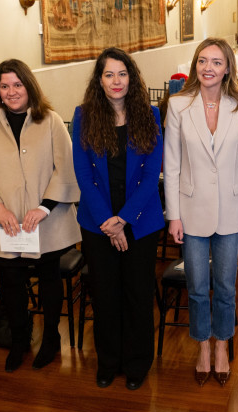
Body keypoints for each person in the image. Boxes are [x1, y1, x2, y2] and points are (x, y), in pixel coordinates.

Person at [0, 59, 81, 372]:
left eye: (17, 84)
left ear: (29, 87)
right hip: (5, 221)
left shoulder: (50, 120)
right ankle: (18, 338)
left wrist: (43, 208)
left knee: (49, 280)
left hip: (46, 219)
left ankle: (51, 338)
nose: (11, 91)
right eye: (4, 86)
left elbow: (65, 168)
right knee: (9, 282)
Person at [163, 38, 238, 387]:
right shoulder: (178, 105)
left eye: (216, 62)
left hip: (232, 209)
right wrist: (173, 214)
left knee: (226, 287)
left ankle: (222, 346)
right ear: (195, 66)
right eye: (202, 61)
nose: (208, 68)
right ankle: (203, 348)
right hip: (191, 210)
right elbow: (171, 164)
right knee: (198, 287)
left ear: (228, 68)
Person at [72, 47, 164, 391]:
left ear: (132, 78)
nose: (116, 81)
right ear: (99, 80)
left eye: (122, 74)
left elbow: (152, 173)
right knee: (105, 295)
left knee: (138, 294)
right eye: (108, 74)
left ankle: (138, 363)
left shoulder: (150, 115)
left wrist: (123, 220)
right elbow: (84, 175)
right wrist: (108, 223)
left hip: (141, 222)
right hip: (97, 224)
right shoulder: (83, 116)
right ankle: (108, 362)